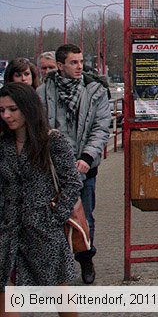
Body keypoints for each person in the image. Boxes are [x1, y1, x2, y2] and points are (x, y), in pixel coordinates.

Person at [1, 83, 82, 317]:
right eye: (2, 110)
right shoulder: (3, 143)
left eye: (13, 109)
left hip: (43, 231)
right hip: (8, 232)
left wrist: (54, 217)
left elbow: (72, 182)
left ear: (27, 109)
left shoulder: (52, 140)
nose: (6, 115)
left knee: (62, 298)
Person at [36, 44, 110, 285]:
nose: (79, 66)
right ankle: (57, 266)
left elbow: (101, 127)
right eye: (73, 62)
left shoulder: (95, 91)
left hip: (84, 168)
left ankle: (86, 258)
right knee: (52, 216)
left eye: (80, 61)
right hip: (53, 169)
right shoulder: (43, 93)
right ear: (60, 66)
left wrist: (87, 158)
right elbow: (39, 128)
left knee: (84, 216)